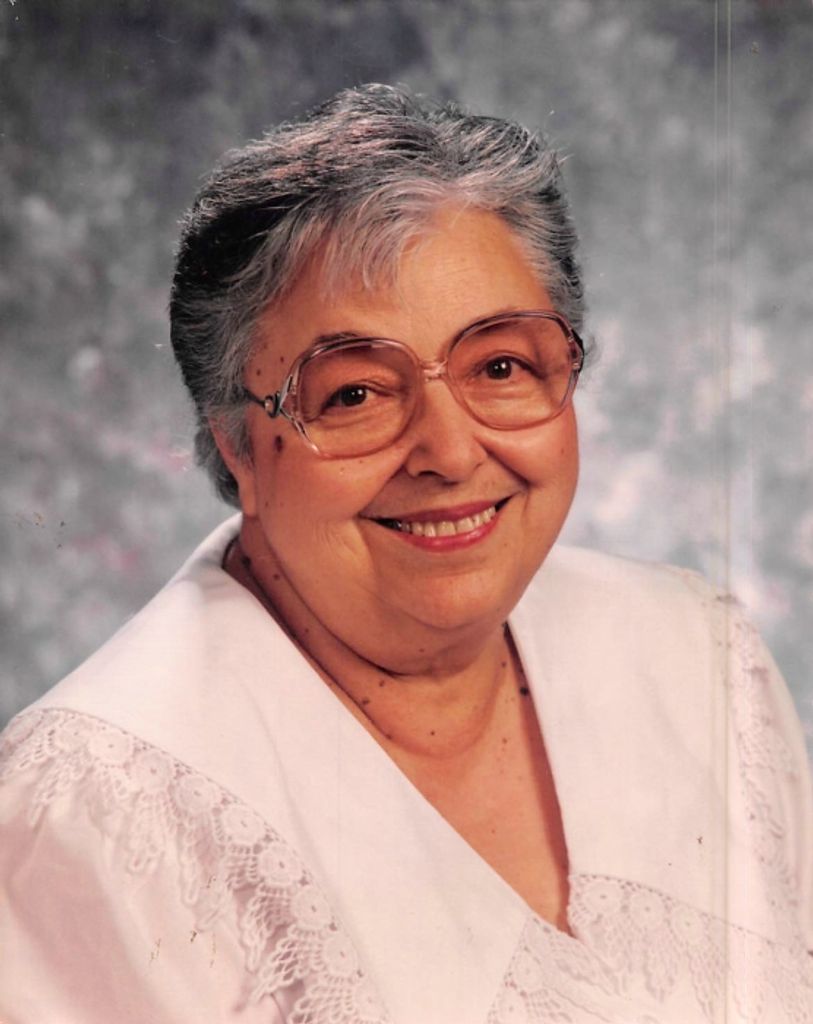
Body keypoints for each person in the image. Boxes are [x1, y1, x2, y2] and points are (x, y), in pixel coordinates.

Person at [0, 84, 810, 1024]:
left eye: (499, 366)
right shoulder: (90, 809)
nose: (450, 454)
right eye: (353, 394)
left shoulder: (697, 653)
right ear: (237, 448)